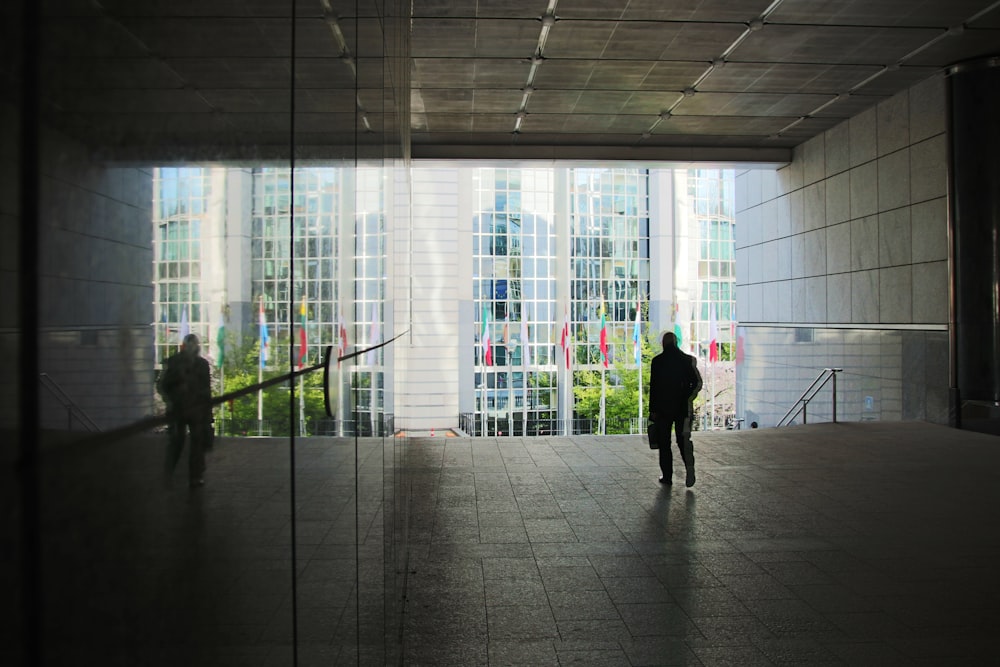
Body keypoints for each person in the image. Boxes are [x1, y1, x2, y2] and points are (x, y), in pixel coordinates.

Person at [157, 333, 212, 487]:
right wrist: (174, 398)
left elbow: (206, 389)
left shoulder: (200, 364)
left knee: (194, 442)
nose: (194, 348)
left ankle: (192, 476)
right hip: (181, 409)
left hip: (192, 409)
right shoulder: (177, 363)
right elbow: (164, 385)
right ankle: (173, 474)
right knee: (178, 442)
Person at [648, 332, 702, 487]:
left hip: (663, 410)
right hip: (683, 409)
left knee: (664, 444)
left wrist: (653, 410)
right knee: (683, 440)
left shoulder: (657, 362)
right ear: (676, 342)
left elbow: (654, 388)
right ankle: (689, 470)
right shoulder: (688, 360)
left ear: (663, 344)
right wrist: (688, 397)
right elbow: (697, 383)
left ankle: (667, 476)